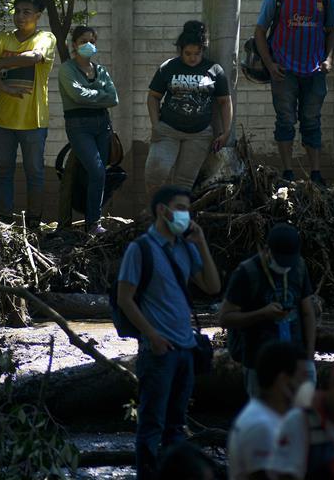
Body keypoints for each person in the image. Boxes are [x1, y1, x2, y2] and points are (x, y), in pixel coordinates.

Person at [116, 186, 221, 479]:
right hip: (158, 353)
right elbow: (125, 298)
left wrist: (201, 243)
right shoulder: (141, 249)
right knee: (151, 425)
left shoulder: (186, 247)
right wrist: (152, 335)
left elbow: (212, 287)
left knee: (177, 426)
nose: (186, 215)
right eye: (180, 207)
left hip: (186, 350)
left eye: (188, 209)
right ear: (163, 210)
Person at [254, 0, 334, 185]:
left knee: (312, 120)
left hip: (314, 71)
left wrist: (329, 59)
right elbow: (260, 32)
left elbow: (331, 32)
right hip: (284, 71)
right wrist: (270, 64)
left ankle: (315, 174)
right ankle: (288, 172)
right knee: (285, 120)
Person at [0, 0, 57, 225]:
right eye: (17, 11)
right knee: (3, 172)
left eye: (27, 12)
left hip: (33, 120)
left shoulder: (46, 38)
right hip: (3, 120)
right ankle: (4, 221)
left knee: (35, 173)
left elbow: (34, 57)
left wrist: (2, 62)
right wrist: (6, 88)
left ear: (38, 15)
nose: (21, 16)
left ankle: (33, 223)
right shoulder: (3, 38)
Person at [218, 223, 317, 397]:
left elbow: (308, 312)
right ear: (266, 250)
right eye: (280, 260)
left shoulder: (299, 267)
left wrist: (308, 355)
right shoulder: (246, 272)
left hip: (296, 357)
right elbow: (225, 318)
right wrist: (262, 314)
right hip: (259, 362)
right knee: (266, 417)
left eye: (289, 261)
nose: (285, 266)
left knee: (301, 416)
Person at [144, 21, 232, 195]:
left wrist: (226, 132)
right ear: (180, 50)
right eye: (188, 53)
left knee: (184, 183)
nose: (192, 58)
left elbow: (224, 101)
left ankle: (176, 220)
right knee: (156, 173)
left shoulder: (214, 70)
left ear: (203, 50)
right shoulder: (169, 67)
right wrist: (156, 125)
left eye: (197, 53)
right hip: (168, 130)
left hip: (199, 135)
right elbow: (153, 97)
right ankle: (156, 214)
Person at [57, 25, 118, 234]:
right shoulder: (67, 69)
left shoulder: (100, 70)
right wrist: (99, 95)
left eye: (92, 41)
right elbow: (76, 96)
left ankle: (93, 223)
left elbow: (114, 98)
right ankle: (86, 222)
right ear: (74, 44)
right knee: (96, 169)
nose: (88, 45)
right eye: (83, 41)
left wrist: (90, 95)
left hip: (102, 125)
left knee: (99, 175)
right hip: (79, 126)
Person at [227, 341, 310, 480]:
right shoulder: (262, 427)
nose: (308, 385)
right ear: (283, 381)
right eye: (303, 377)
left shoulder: (267, 416)